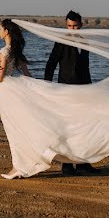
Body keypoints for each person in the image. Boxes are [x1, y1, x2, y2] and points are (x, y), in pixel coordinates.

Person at [0, 19, 109, 179]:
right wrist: (40, 87)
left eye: (0, 28)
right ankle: (34, 164)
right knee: (24, 128)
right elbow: (30, 73)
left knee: (18, 129)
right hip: (17, 91)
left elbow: (1, 76)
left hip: (13, 91)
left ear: (6, 31)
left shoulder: (5, 51)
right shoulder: (16, 51)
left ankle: (26, 165)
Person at [44, 10, 96, 175]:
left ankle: (82, 163)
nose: (71, 29)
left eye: (74, 26)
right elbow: (51, 64)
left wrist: (90, 87)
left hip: (84, 89)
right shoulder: (60, 42)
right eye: (69, 26)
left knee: (83, 127)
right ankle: (66, 165)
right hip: (65, 89)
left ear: (80, 25)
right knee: (67, 128)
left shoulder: (85, 41)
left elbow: (85, 66)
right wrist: (48, 85)